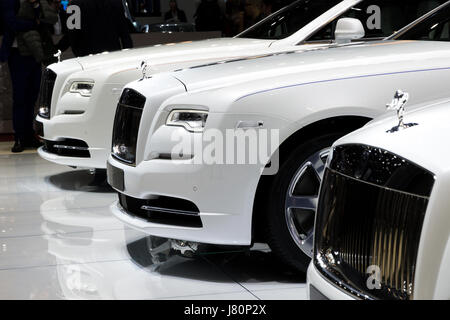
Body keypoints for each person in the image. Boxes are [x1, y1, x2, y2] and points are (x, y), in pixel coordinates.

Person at [0, 0, 55, 153]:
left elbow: (47, 19)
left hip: (34, 51)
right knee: (20, 97)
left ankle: (28, 134)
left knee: (32, 95)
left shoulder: (34, 2)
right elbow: (12, 23)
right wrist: (33, 24)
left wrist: (37, 7)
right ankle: (19, 137)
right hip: (17, 53)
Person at [68, 0, 133, 57]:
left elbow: (72, 36)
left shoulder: (74, 4)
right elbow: (125, 35)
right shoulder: (116, 2)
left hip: (87, 57)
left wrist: (79, 55)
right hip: (112, 55)